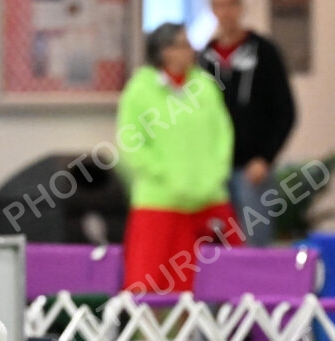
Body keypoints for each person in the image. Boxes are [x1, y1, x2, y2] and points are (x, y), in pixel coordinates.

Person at [118, 23, 241, 294]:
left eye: (189, 45)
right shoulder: (140, 89)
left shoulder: (205, 86)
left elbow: (223, 134)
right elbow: (131, 142)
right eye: (180, 45)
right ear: (163, 51)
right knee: (150, 282)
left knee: (226, 279)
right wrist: (166, 175)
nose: (188, 51)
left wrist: (213, 176)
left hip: (208, 198)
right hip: (160, 201)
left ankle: (211, 336)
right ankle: (150, 337)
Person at [199, 0, 296, 246]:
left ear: (241, 8)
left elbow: (286, 112)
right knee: (216, 244)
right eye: (219, 6)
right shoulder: (204, 59)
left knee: (254, 244)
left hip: (252, 171)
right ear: (212, 10)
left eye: (231, 5)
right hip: (215, 173)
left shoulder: (264, 52)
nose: (226, 13)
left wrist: (265, 157)